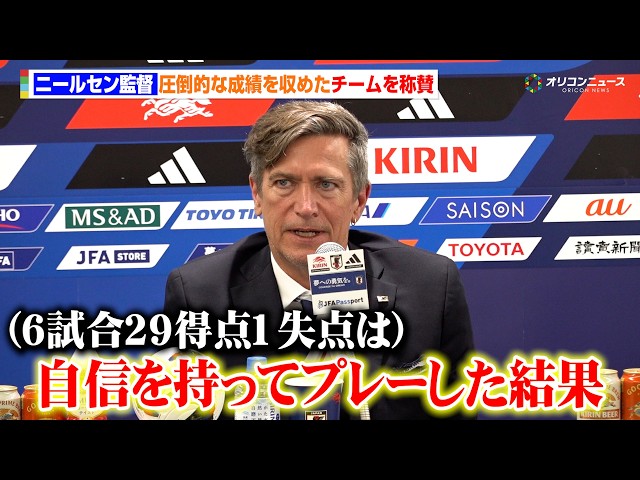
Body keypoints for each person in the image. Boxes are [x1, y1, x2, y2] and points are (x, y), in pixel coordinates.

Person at [163, 100, 476, 420]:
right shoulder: (199, 294)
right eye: (284, 183)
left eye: (326, 184)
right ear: (257, 194)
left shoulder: (430, 286)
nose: (305, 207)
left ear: (359, 200)